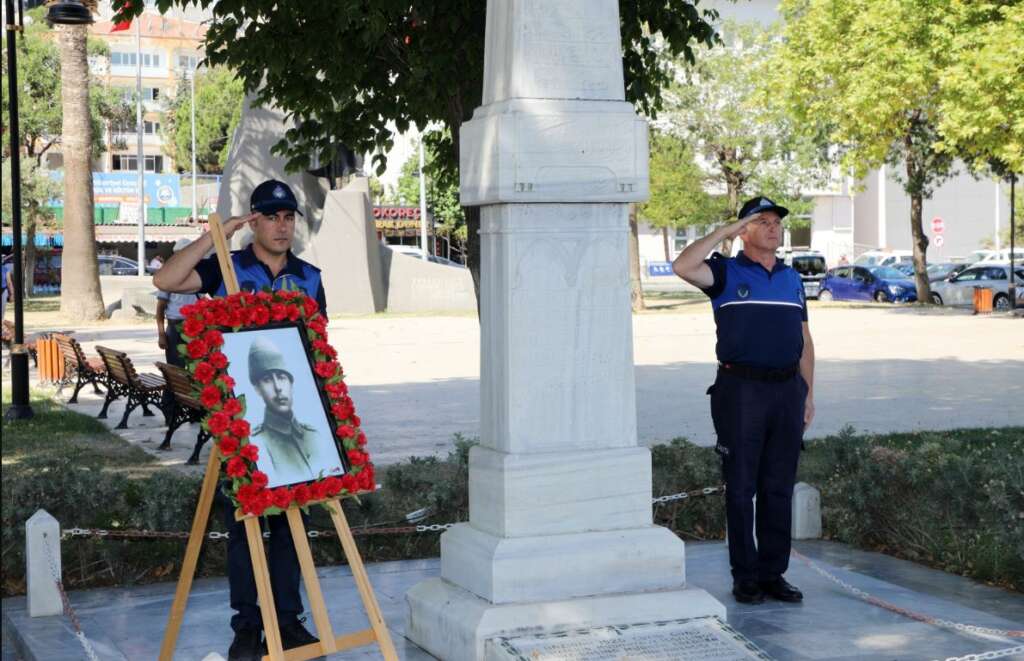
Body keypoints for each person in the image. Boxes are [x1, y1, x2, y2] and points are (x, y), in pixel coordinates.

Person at [153, 179, 324, 661]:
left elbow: (319, 350)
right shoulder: (228, 269)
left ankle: (288, 623)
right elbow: (166, 281)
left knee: (292, 525)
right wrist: (218, 235)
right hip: (241, 424)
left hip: (293, 419)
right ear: (254, 221)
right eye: (271, 216)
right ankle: (248, 626)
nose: (282, 225)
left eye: (288, 216)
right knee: (244, 526)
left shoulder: (309, 277)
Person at [672, 196, 815, 606]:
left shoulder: (791, 279)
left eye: (777, 223)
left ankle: (773, 574)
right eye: (763, 222)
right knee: (740, 488)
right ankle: (746, 576)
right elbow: (683, 266)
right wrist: (724, 232)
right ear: (744, 230)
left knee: (779, 487)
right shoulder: (724, 272)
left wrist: (808, 393)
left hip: (788, 391)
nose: (774, 228)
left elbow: (804, 340)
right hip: (741, 392)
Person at [246, 337, 320, 484]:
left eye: (281, 377)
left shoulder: (316, 436)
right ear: (257, 389)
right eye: (267, 379)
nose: (277, 387)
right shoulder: (256, 444)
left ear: (291, 383)